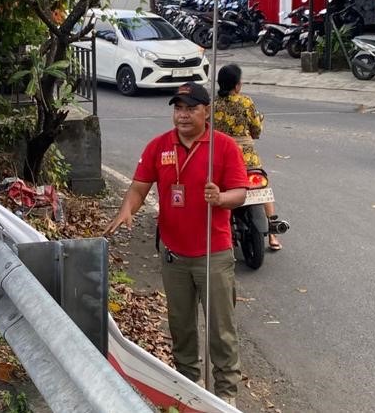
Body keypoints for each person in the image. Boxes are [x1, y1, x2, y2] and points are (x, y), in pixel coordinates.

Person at [104, 82, 247, 406]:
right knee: (181, 326)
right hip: (174, 255)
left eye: (190, 108)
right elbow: (139, 188)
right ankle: (189, 386)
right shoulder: (159, 146)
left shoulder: (223, 147)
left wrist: (221, 198)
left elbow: (240, 193)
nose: (182, 115)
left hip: (214, 253)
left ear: (206, 111)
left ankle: (226, 396)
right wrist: (127, 209)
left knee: (221, 330)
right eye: (178, 108)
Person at [213, 64, 283, 251]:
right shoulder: (245, 102)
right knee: (264, 187)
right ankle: (273, 234)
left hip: (221, 157)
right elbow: (256, 130)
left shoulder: (211, 105)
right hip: (247, 158)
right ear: (236, 85)